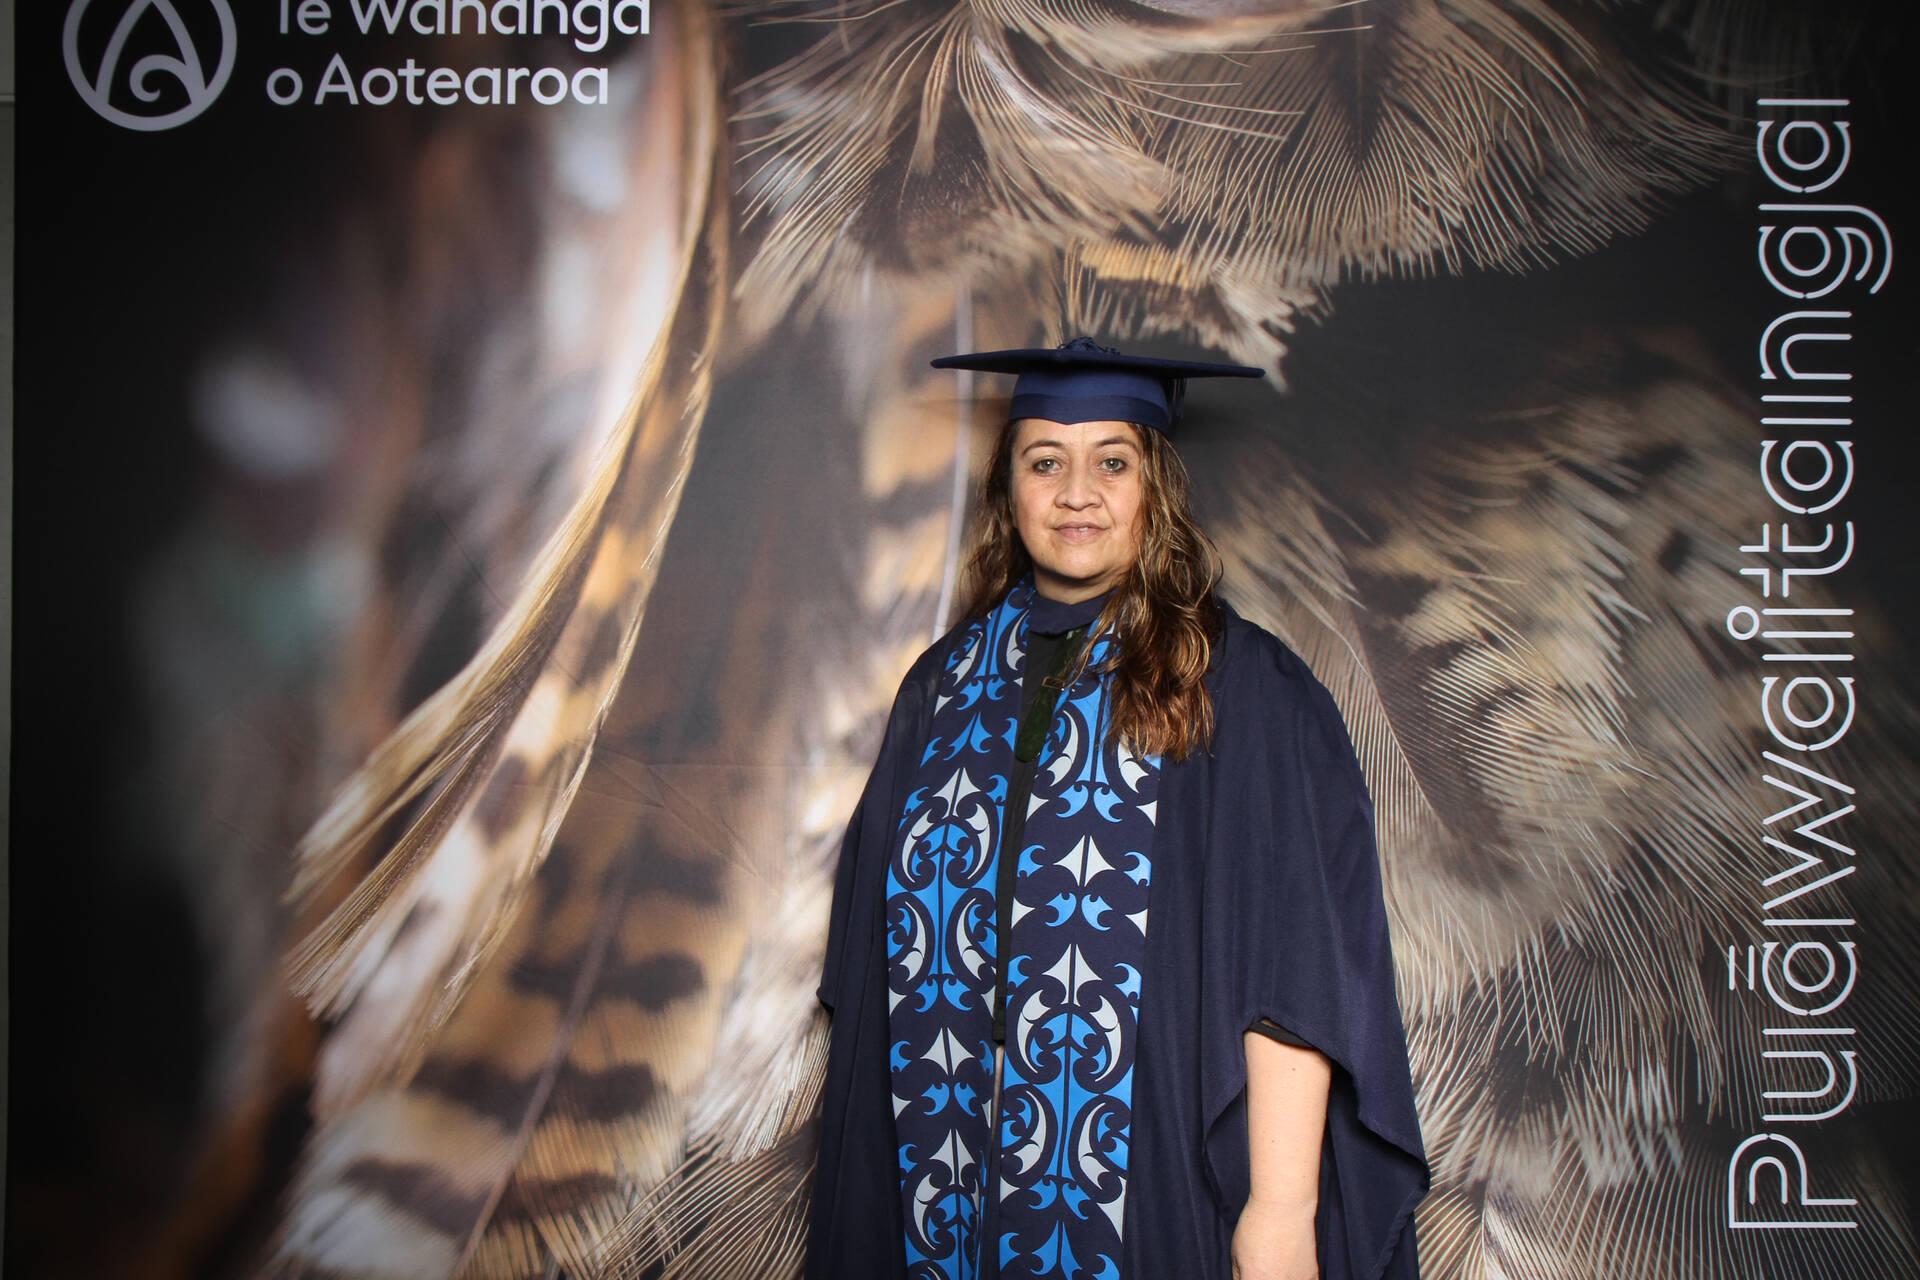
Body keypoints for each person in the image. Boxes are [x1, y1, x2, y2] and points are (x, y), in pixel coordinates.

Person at [808, 338, 1427, 1280]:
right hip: (951, 1168)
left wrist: (1279, 1212)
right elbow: (865, 981)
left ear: (1155, 486)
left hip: (1152, 1180)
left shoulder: (1241, 687)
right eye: (1044, 462)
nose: (1076, 495)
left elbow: (1294, 980)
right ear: (1008, 487)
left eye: (1111, 463)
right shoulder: (943, 688)